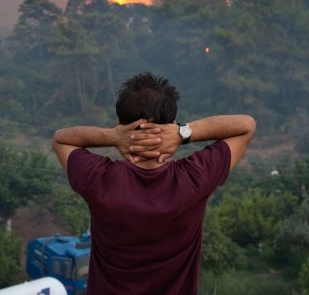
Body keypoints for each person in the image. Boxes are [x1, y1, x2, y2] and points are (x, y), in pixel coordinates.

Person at [52, 72, 256, 294]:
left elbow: (61, 139)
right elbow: (246, 126)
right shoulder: (194, 177)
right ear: (170, 124)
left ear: (121, 123)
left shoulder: (99, 179)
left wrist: (113, 136)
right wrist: (183, 133)